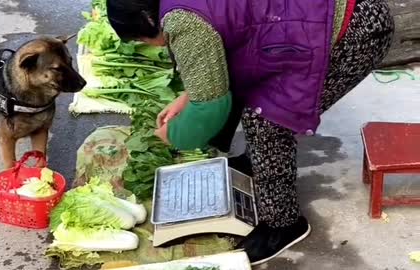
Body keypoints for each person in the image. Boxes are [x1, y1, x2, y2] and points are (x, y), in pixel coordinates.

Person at [106, 0, 394, 264]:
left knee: (268, 121)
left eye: (142, 38)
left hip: (355, 31)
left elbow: (209, 109)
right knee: (260, 105)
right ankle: (259, 163)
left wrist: (175, 135)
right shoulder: (178, 8)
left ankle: (283, 225)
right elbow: (220, 58)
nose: (151, 44)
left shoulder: (181, 21)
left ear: (146, 18)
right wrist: (187, 97)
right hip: (319, 20)